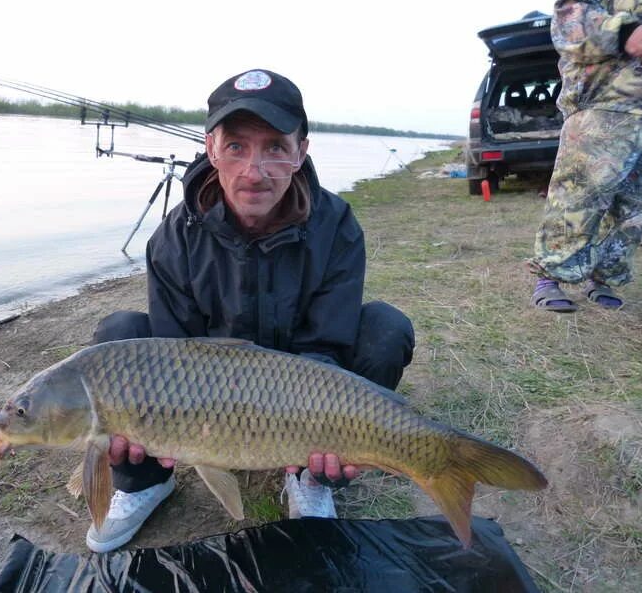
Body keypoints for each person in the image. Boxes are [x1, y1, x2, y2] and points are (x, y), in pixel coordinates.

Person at [86, 69, 415, 553]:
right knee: (119, 335)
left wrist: (317, 429)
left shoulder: (337, 226)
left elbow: (327, 346)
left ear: (302, 151)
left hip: (302, 387)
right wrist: (150, 428)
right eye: (236, 147)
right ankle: (147, 479)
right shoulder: (174, 237)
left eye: (275, 148)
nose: (254, 171)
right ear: (210, 148)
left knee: (386, 328)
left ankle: (312, 474)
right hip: (205, 391)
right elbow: (171, 359)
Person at [529, 0, 642, 312]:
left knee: (636, 205)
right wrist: (626, 31)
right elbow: (570, 16)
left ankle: (604, 278)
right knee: (578, 194)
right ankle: (550, 277)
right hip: (605, 102)